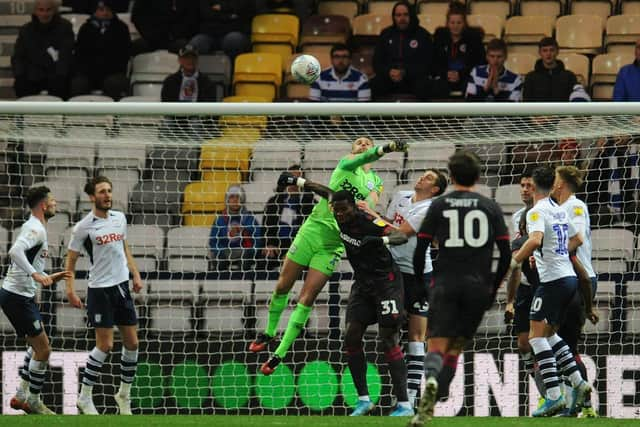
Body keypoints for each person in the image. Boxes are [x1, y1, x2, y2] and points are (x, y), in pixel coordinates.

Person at [249, 137, 407, 375]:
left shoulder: (375, 181)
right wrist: (388, 147)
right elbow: (331, 187)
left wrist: (369, 210)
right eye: (359, 142)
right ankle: (269, 332)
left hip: (333, 244)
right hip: (312, 230)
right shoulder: (345, 165)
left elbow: (369, 203)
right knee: (283, 285)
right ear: (352, 149)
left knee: (307, 298)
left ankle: (279, 353)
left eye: (368, 142)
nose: (363, 144)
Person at [280, 177, 414, 416]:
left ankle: (404, 403)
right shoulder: (336, 210)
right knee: (351, 337)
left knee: (388, 339)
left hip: (386, 283)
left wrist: (379, 240)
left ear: (354, 206)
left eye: (343, 210)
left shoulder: (370, 220)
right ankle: (364, 400)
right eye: (336, 210)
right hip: (363, 284)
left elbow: (401, 236)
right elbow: (323, 189)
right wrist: (298, 181)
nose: (339, 214)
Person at [410, 151, 512, 426]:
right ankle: (436, 391)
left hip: (445, 284)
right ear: (478, 178)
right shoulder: (490, 206)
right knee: (455, 348)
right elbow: (505, 255)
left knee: (436, 344)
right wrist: (493, 288)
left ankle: (430, 382)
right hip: (477, 287)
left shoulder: (440, 204)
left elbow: (420, 249)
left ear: (451, 177)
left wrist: (422, 284)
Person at [360, 169, 448, 408]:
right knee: (390, 332)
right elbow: (386, 224)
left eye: (429, 178)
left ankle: (408, 397)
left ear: (436, 190)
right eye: (424, 174)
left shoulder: (430, 208)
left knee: (417, 335)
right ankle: (400, 393)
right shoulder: (401, 195)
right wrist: (372, 215)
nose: (422, 177)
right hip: (392, 271)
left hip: (418, 275)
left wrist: (369, 213)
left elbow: (399, 234)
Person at [510, 166, 592, 417]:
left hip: (553, 281)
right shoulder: (557, 208)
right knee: (549, 335)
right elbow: (577, 239)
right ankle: (579, 383)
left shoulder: (537, 211)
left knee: (535, 338)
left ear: (533, 186)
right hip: (568, 278)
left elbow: (534, 239)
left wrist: (515, 261)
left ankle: (554, 397)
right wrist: (554, 252)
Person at [65, 176, 143, 415]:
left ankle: (123, 395)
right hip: (100, 290)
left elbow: (124, 248)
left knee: (133, 343)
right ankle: (85, 396)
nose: (107, 195)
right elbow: (71, 260)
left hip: (121, 287)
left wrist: (135, 274)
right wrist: (69, 289)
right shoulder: (83, 227)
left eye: (109, 190)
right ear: (92, 197)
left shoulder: (120, 218)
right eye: (102, 191)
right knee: (106, 345)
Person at [1, 186, 71, 415]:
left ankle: (21, 395)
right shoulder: (35, 229)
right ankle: (33, 400)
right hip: (17, 298)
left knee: (38, 344)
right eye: (52, 200)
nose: (55, 203)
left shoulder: (36, 227)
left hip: (22, 296)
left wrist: (45, 277)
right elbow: (15, 252)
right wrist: (35, 275)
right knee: (44, 350)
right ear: (43, 205)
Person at [552, 165, 599, 417]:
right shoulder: (560, 207)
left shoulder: (575, 205)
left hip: (580, 279)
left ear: (561, 184)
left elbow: (577, 238)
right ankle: (579, 404)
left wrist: (553, 252)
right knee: (561, 344)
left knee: (566, 346)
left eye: (555, 179)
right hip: (567, 278)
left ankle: (583, 405)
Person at [504, 172, 546, 397]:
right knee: (523, 344)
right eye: (522, 185)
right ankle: (544, 387)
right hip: (525, 286)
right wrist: (509, 300)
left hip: (545, 283)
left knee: (543, 340)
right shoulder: (518, 217)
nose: (524, 189)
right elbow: (517, 260)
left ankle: (552, 391)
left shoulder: (548, 211)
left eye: (529, 185)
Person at [370, 1, 433, 101]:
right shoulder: (386, 34)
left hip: (413, 78)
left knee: (425, 86)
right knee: (372, 85)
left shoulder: (422, 35)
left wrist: (405, 72)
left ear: (411, 15)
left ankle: (421, 116)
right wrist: (389, 72)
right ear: (394, 17)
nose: (402, 19)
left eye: (405, 15)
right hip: (389, 77)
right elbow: (377, 62)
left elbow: (427, 64)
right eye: (398, 15)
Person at [11, 0, 74, 99]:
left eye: (48, 10)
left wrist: (60, 75)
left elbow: (65, 56)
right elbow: (18, 56)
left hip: (56, 74)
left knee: (62, 84)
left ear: (54, 11)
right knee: (21, 84)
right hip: (32, 74)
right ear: (35, 11)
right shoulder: (26, 30)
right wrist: (20, 74)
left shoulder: (65, 27)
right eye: (41, 10)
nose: (44, 14)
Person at [71, 0, 131, 100]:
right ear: (95, 11)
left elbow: (124, 55)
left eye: (108, 10)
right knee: (78, 83)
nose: (105, 13)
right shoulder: (85, 28)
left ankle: (115, 114)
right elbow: (79, 54)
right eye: (101, 10)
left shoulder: (121, 28)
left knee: (114, 83)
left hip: (113, 72)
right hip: (88, 73)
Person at [262, 165, 314, 270]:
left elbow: (310, 232)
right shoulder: (274, 202)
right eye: (290, 178)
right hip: (277, 245)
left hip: (300, 246)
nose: (293, 182)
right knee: (265, 258)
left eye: (297, 179)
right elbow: (266, 227)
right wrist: (269, 244)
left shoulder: (310, 203)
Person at [431, 1, 485, 99]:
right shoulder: (440, 37)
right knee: (433, 87)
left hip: (466, 77)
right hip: (445, 77)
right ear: (447, 23)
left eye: (459, 23)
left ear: (464, 23)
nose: (455, 26)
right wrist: (445, 73)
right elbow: (434, 62)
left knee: (472, 88)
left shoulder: (474, 39)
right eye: (452, 22)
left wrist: (460, 74)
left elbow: (479, 63)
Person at [209, 184, 263, 271]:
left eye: (238, 197)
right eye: (232, 197)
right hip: (224, 251)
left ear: (242, 199)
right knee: (219, 260)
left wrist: (251, 251)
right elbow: (213, 242)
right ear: (227, 200)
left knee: (246, 260)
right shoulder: (219, 220)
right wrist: (221, 251)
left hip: (245, 252)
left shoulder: (250, 219)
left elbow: (258, 240)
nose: (235, 200)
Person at [188, 0, 255, 59]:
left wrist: (222, 8)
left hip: (233, 31)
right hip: (209, 34)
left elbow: (240, 8)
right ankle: (200, 73)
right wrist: (229, 16)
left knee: (233, 40)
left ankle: (233, 71)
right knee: (195, 43)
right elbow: (206, 14)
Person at [131, 0, 198, 54]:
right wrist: (150, 35)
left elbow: (191, 20)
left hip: (175, 38)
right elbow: (136, 17)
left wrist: (174, 35)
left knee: (185, 47)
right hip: (151, 37)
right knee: (134, 46)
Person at [523, 37, 578, 102]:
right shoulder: (530, 77)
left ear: (557, 52)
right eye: (545, 50)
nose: (548, 54)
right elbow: (527, 103)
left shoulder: (569, 76)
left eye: (552, 50)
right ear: (540, 53)